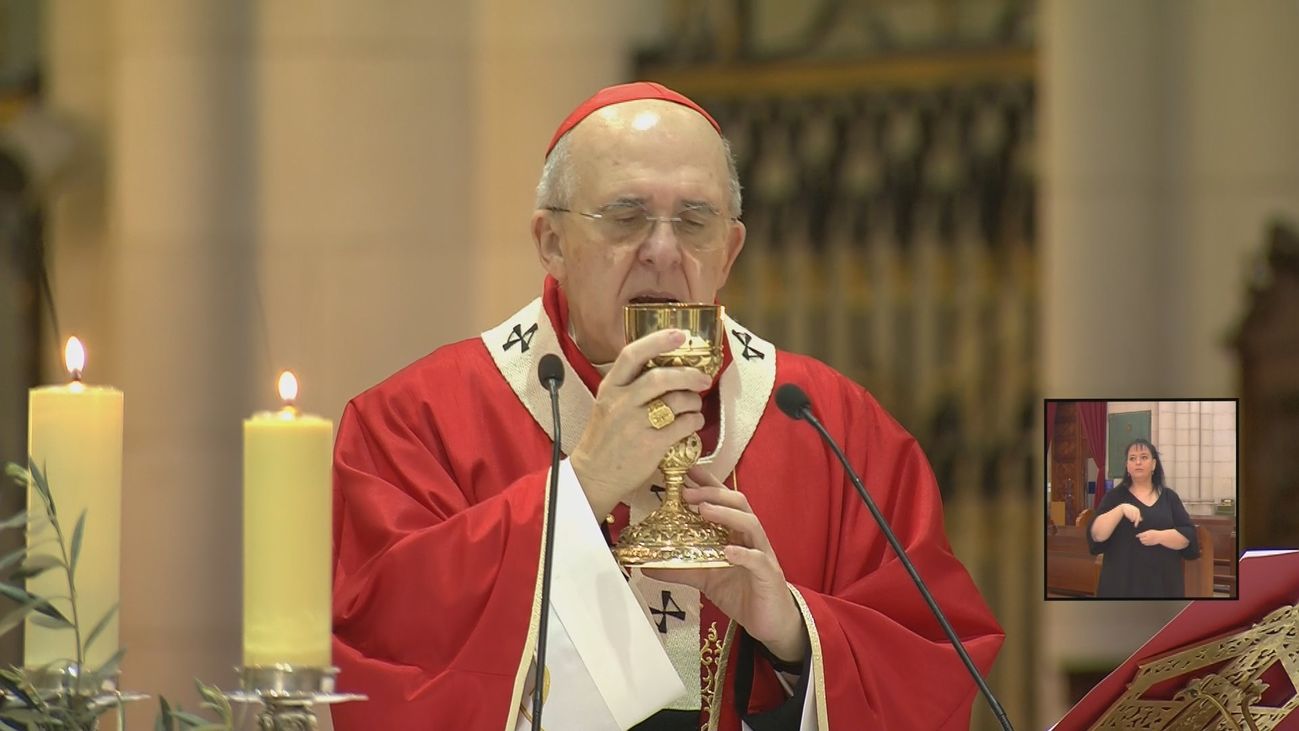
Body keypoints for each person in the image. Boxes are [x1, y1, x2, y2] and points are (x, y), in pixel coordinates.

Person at [330, 82, 1004, 730]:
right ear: (551, 242)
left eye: (694, 221)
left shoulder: (828, 423)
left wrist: (795, 631)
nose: (660, 250)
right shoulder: (415, 422)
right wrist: (580, 490)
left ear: (729, 250)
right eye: (625, 218)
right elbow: (380, 649)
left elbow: (932, 663)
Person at [1088, 438, 1199, 598]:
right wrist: (1120, 510)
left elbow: (1188, 537)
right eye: (1132, 458)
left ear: (1154, 464)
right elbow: (1097, 535)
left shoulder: (1169, 497)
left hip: (1163, 583)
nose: (1138, 462)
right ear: (1127, 466)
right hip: (1122, 583)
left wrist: (1160, 537)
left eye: (1144, 457)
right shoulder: (1114, 497)